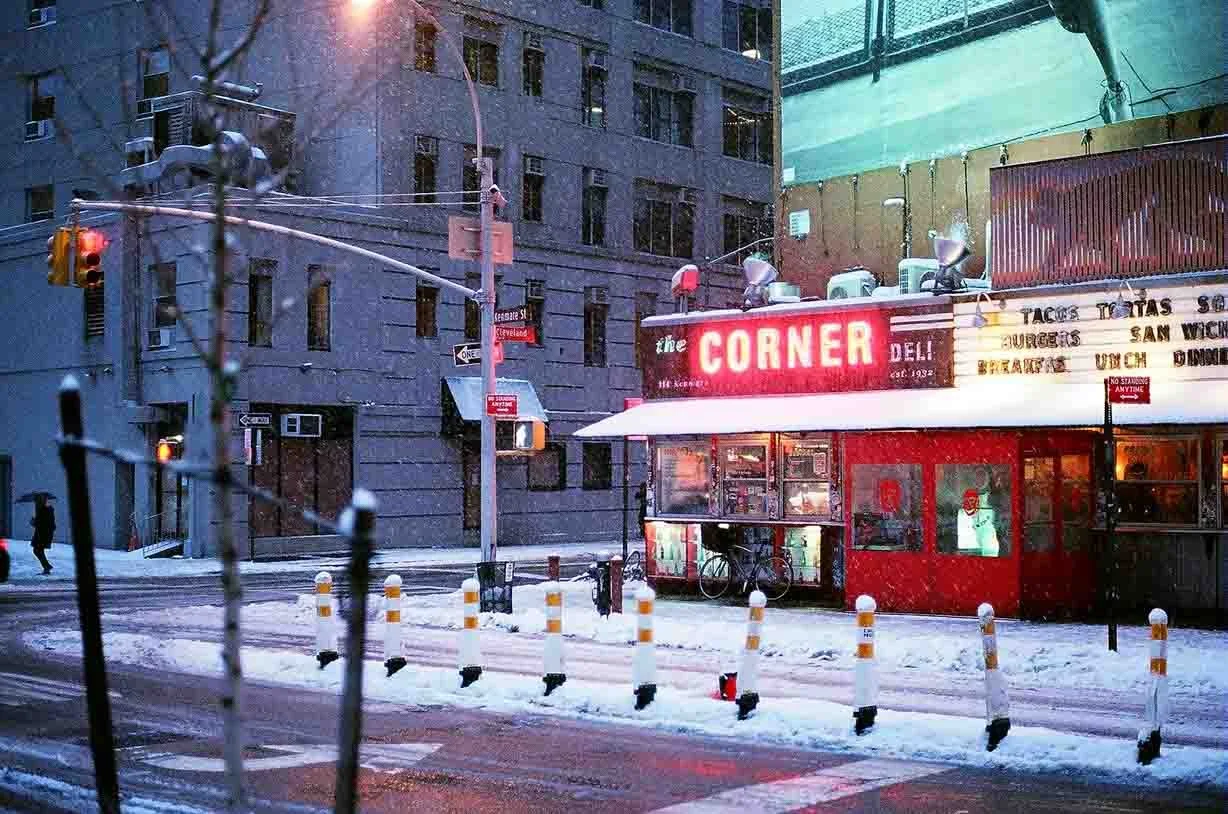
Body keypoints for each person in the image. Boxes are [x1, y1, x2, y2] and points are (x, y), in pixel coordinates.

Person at [30, 495, 55, 575]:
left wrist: (34, 522)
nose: (36, 503)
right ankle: (47, 567)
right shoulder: (45, 509)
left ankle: (47, 567)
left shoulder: (44, 510)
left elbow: (43, 523)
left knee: (37, 550)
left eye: (36, 501)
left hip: (43, 534)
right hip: (42, 534)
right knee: (38, 550)